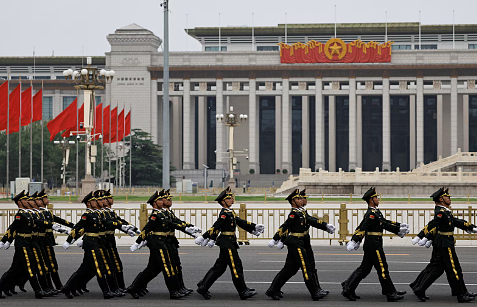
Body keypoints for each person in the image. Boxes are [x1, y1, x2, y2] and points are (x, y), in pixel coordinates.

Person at [195, 187, 265, 300]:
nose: (232, 200)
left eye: (232, 198)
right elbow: (216, 226)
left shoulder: (230, 212)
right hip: (227, 242)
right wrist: (205, 237)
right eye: (230, 198)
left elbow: (240, 222)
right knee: (235, 266)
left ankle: (203, 285)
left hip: (229, 242)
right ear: (223, 201)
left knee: (219, 267)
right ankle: (242, 291)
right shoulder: (224, 213)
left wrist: (253, 227)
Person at [341, 187, 409, 302]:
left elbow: (384, 223)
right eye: (376, 197)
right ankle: (390, 293)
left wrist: (398, 228)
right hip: (374, 245)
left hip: (373, 244)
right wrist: (355, 240)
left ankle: (348, 287)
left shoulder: (376, 212)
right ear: (371, 200)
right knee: (382, 268)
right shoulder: (371, 214)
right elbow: (363, 227)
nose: (378, 199)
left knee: (365, 269)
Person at [265, 189, 334, 301]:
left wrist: (325, 226)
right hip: (295, 243)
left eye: (301, 198)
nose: (301, 200)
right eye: (298, 198)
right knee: (306, 267)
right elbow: (285, 226)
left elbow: (311, 220)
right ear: (293, 202)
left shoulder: (301, 212)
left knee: (290, 269)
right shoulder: (293, 214)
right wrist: (276, 239)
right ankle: (314, 292)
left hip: (301, 241)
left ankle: (273, 290)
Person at [412, 187, 477, 303]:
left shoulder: (445, 211)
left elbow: (456, 221)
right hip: (445, 244)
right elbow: (432, 224)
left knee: (437, 268)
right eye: (447, 197)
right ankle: (461, 294)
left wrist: (471, 227)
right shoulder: (441, 212)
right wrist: (421, 236)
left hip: (443, 242)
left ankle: (419, 287)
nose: (449, 199)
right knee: (453, 269)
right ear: (441, 199)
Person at [129, 190, 197, 299]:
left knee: (153, 269)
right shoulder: (155, 215)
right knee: (167, 267)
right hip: (157, 244)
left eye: (162, 199)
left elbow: (173, 223)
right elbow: (146, 229)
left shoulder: (163, 213)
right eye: (160, 200)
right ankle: (173, 292)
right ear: (155, 203)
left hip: (163, 242)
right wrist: (138, 242)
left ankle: (134, 287)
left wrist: (188, 229)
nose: (163, 201)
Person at [61, 191, 127, 299]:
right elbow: (78, 228)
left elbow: (107, 222)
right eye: (94, 201)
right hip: (91, 243)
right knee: (99, 267)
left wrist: (122, 226)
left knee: (84, 269)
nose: (97, 202)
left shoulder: (97, 213)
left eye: (98, 201)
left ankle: (67, 288)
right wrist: (69, 240)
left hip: (97, 242)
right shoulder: (87, 215)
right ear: (88, 204)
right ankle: (106, 291)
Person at [0, 190, 59, 299]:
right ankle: (38, 291)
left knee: (15, 269)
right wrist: (5, 241)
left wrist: (52, 225)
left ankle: (5, 287)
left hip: (29, 242)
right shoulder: (20, 215)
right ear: (19, 202)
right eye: (25, 200)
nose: (28, 201)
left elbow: (38, 222)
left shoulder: (28, 214)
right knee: (29, 268)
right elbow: (12, 228)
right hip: (22, 243)